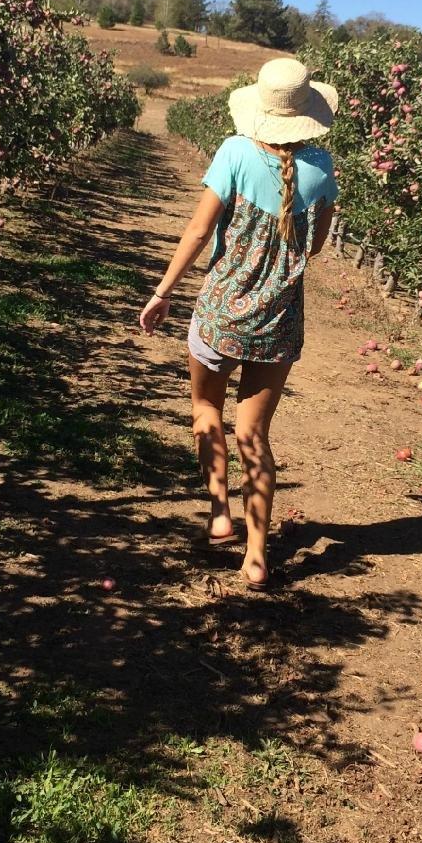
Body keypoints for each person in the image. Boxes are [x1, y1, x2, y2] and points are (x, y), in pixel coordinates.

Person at [139, 57, 340, 588]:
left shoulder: (234, 152)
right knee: (255, 433)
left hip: (221, 314)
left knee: (205, 406)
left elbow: (199, 230)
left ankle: (220, 511)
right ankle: (256, 557)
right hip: (278, 323)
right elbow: (314, 246)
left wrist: (163, 293)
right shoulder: (321, 167)